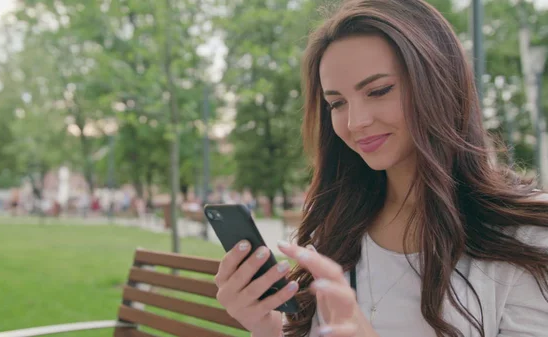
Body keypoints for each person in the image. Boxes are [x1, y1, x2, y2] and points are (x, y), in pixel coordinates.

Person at [213, 0, 548, 337]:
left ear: (440, 83)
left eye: (379, 90)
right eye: (337, 103)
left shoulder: (527, 238)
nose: (355, 122)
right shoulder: (336, 224)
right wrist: (266, 326)